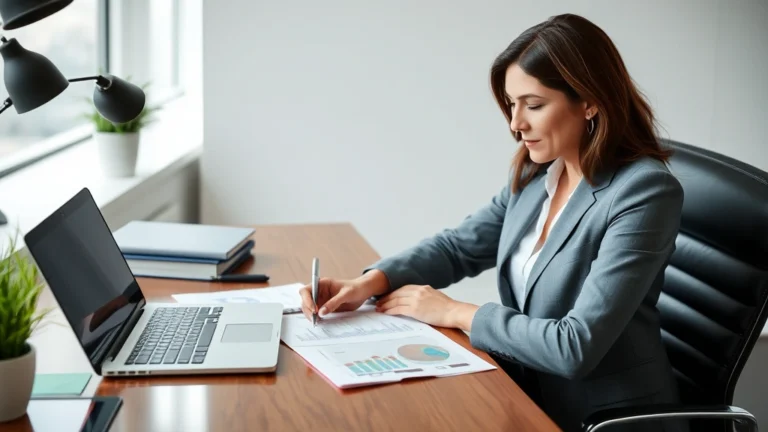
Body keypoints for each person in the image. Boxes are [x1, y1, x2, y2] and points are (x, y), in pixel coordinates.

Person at [300, 13, 686, 432]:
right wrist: (370, 283)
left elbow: (574, 346)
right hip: (527, 395)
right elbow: (459, 247)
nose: (516, 124)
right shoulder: (538, 173)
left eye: (533, 105)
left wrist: (454, 311)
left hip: (604, 418)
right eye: (512, 104)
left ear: (590, 101)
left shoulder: (643, 192)